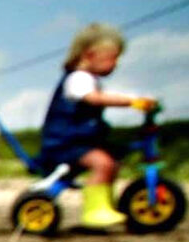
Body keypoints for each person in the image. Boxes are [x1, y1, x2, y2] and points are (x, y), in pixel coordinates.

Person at [35, 23, 157, 230]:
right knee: (103, 164)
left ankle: (105, 205)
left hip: (80, 140)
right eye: (113, 58)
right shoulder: (78, 79)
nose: (116, 64)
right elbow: (94, 99)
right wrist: (130, 102)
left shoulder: (88, 79)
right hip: (65, 143)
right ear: (91, 55)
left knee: (112, 163)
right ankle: (94, 211)